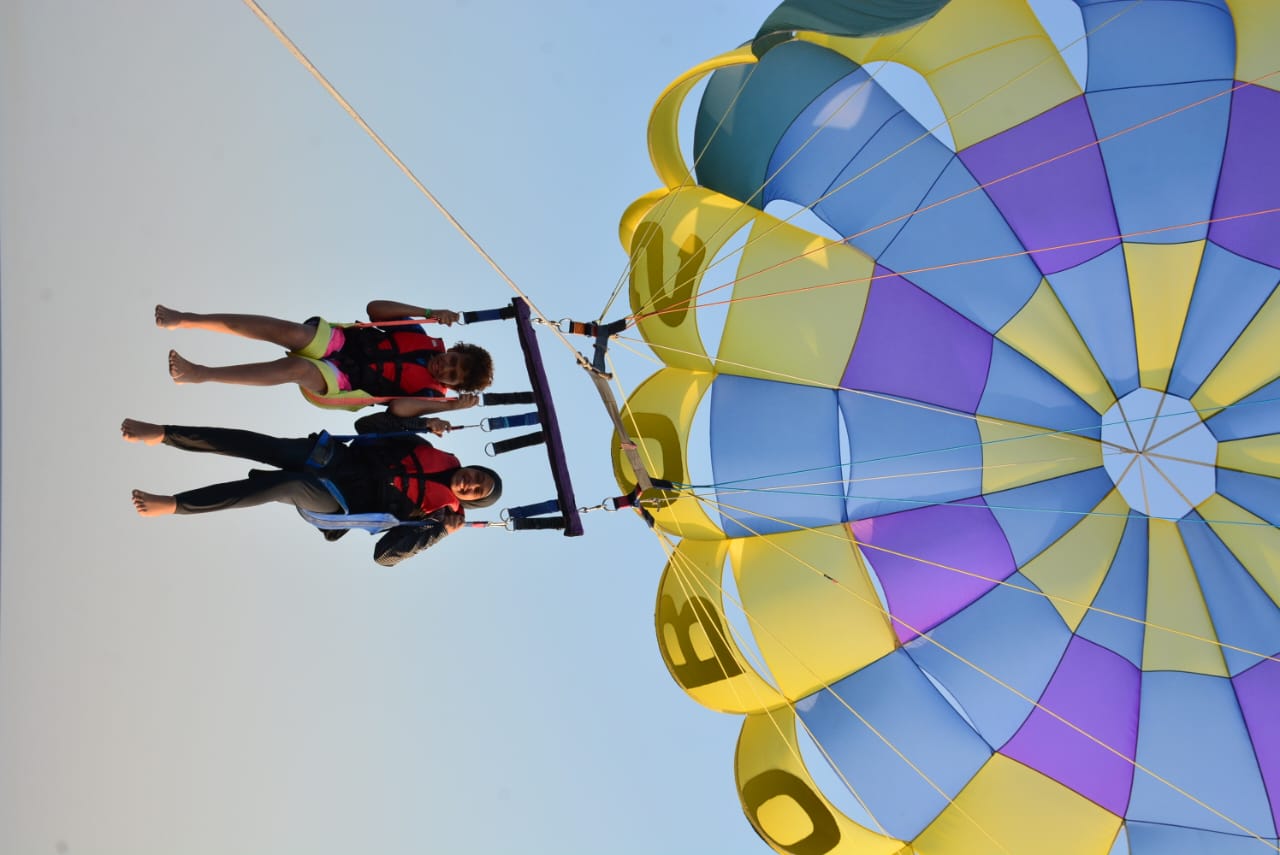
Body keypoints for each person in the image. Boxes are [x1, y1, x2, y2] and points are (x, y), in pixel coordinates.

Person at [122, 412, 502, 566]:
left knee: (284, 485)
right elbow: (366, 424)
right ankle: (164, 434)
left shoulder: (434, 518)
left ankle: (174, 505)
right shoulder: (427, 449)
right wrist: (417, 423)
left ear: (469, 500)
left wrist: (438, 532)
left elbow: (384, 556)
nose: (470, 483)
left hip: (338, 502)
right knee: (259, 444)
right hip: (334, 458)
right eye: (476, 476)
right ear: (470, 466)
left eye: (475, 491)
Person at [157, 300, 494, 415]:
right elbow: (375, 309)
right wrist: (430, 312)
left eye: (452, 374)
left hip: (347, 384)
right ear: (453, 349)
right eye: (453, 359)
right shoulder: (421, 337)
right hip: (342, 342)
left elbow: (399, 409)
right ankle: (187, 319)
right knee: (294, 334)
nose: (446, 366)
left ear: (452, 385)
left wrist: (449, 407)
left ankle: (200, 373)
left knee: (296, 368)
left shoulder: (432, 397)